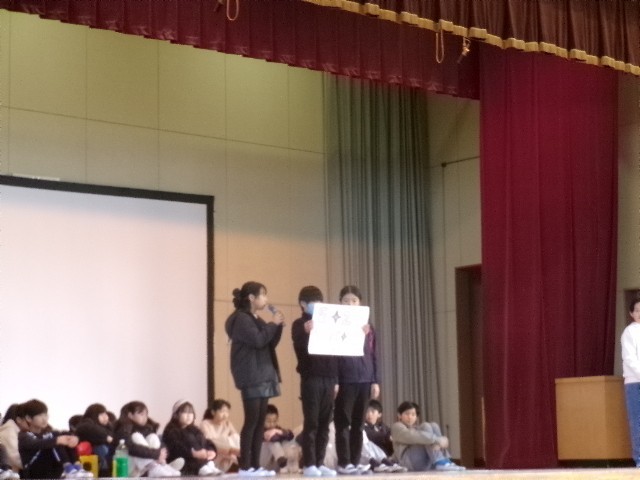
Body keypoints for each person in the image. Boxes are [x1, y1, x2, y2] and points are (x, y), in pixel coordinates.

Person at [225, 281, 284, 477]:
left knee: (259, 422)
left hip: (263, 374)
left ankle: (255, 466)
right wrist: (272, 324)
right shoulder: (241, 319)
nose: (266, 299)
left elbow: (269, 342)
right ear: (251, 298)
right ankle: (245, 466)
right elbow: (258, 340)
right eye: (263, 295)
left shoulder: (255, 318)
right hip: (251, 375)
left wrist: (278, 326)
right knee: (252, 421)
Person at [291, 285, 338, 478]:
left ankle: (320, 462)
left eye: (319, 301)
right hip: (311, 378)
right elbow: (298, 346)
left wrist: (336, 380)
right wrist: (305, 331)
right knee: (311, 422)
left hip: (329, 378)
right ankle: (309, 464)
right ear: (303, 304)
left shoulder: (327, 322)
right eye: (313, 302)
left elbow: (335, 351)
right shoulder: (298, 324)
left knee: (325, 423)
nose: (317, 305)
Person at [334, 285, 379, 475]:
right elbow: (333, 356)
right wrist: (335, 380)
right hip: (345, 379)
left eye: (354, 301)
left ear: (360, 303)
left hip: (365, 379)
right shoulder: (335, 325)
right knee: (343, 422)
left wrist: (375, 380)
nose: (350, 304)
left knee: (359, 424)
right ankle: (344, 462)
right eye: (346, 301)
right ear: (340, 303)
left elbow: (374, 355)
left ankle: (354, 460)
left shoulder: (368, 328)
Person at [18, 399, 90, 479]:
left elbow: (57, 437)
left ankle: (77, 468)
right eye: (40, 415)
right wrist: (57, 440)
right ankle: (68, 469)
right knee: (55, 437)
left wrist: (73, 439)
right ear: (28, 418)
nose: (44, 419)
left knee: (63, 435)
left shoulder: (49, 433)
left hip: (51, 470)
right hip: (33, 472)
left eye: (45, 415)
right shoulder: (24, 435)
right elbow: (35, 444)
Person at [113, 401, 183, 477]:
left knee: (152, 437)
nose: (145, 417)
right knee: (136, 436)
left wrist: (161, 453)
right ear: (130, 415)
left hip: (142, 469)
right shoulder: (123, 429)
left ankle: (161, 466)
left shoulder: (147, 428)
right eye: (141, 414)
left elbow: (160, 444)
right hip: (125, 469)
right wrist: (156, 454)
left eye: (146, 414)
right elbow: (131, 448)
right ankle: (155, 468)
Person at [390, 401, 464, 472]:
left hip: (423, 462)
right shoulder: (397, 427)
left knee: (433, 425)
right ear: (399, 415)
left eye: (413, 414)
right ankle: (440, 461)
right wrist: (438, 440)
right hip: (408, 463)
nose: (410, 417)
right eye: (407, 414)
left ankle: (444, 460)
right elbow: (412, 436)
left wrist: (437, 441)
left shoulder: (416, 428)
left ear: (416, 417)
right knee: (425, 426)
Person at [162, 400, 221, 476]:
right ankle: (202, 467)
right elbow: (176, 447)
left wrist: (211, 450)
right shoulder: (171, 430)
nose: (189, 416)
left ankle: (207, 465)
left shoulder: (195, 430)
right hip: (182, 461)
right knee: (190, 438)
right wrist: (193, 454)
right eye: (185, 412)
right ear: (176, 415)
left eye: (191, 413)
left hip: (198, 460)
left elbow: (206, 442)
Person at [361, 400, 405, 473]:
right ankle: (380, 463)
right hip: (369, 456)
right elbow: (372, 436)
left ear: (379, 414)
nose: (369, 414)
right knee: (366, 444)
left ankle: (387, 462)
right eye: (367, 411)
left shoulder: (382, 427)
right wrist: (386, 437)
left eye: (372, 411)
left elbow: (391, 435)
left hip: (386, 454)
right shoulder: (362, 426)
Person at [622, 298, 640, 467]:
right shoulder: (629, 332)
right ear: (631, 313)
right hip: (635, 383)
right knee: (637, 421)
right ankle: (639, 460)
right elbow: (630, 359)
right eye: (637, 310)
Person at [200, 400, 240, 473]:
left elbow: (236, 438)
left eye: (227, 412)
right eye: (222, 411)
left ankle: (242, 459)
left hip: (227, 455)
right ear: (213, 412)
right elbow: (209, 442)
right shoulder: (205, 424)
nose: (225, 415)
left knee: (235, 437)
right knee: (223, 441)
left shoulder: (227, 424)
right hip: (212, 456)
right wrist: (229, 449)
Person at [74, 404, 114, 477]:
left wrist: (107, 437)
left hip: (98, 458)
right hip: (88, 458)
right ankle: (105, 474)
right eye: (101, 415)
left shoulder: (107, 426)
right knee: (101, 447)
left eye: (105, 414)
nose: (105, 417)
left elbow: (112, 438)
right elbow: (100, 434)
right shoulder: (86, 424)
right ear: (94, 415)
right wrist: (106, 438)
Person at [259, 404, 299, 474]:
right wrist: (276, 433)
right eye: (268, 421)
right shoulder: (258, 430)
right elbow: (273, 438)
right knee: (272, 441)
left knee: (287, 441)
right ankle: (283, 464)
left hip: (274, 465)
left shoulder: (277, 429)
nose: (272, 424)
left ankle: (291, 466)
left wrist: (279, 431)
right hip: (262, 464)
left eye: (274, 421)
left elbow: (291, 435)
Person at [0, 404, 26, 474]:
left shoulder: (12, 430)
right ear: (19, 419)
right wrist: (32, 464)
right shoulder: (9, 431)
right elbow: (14, 456)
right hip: (10, 474)